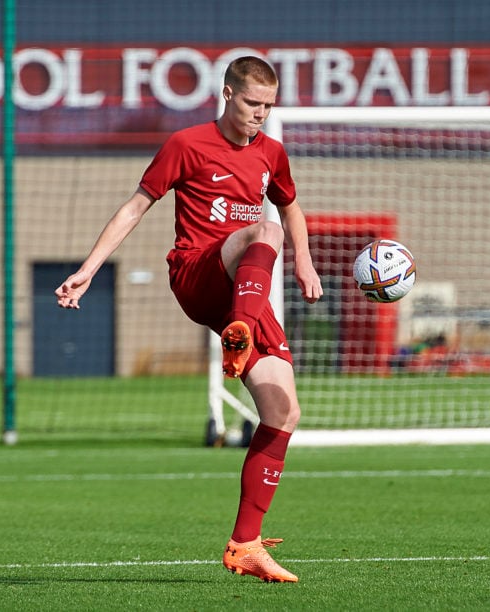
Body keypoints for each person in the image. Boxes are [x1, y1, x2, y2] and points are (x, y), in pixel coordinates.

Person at [55, 56, 323, 583]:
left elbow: (290, 205)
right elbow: (136, 206)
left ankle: (245, 544)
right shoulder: (186, 144)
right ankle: (239, 335)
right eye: (252, 104)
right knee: (263, 232)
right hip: (197, 274)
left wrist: (307, 259)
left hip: (241, 296)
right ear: (227, 94)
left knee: (283, 409)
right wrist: (89, 269)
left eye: (269, 106)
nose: (260, 116)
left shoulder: (272, 152)